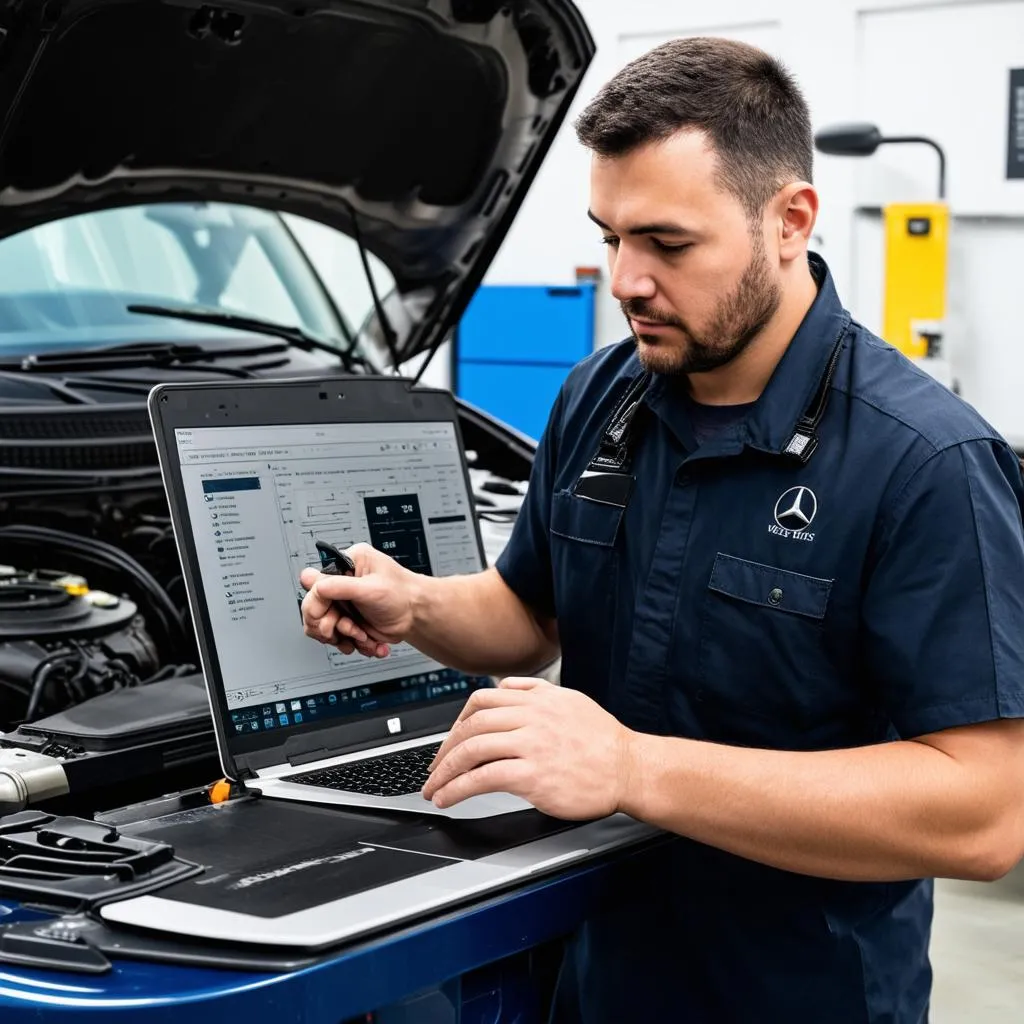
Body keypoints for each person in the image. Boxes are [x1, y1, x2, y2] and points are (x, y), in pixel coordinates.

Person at [299, 36, 1024, 1024]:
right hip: (588, 976)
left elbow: (984, 811)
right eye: (610, 237)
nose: (625, 281)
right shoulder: (600, 397)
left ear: (789, 220)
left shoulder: (924, 463)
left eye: (666, 244)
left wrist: (633, 767)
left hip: (790, 998)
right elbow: (526, 615)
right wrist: (415, 602)